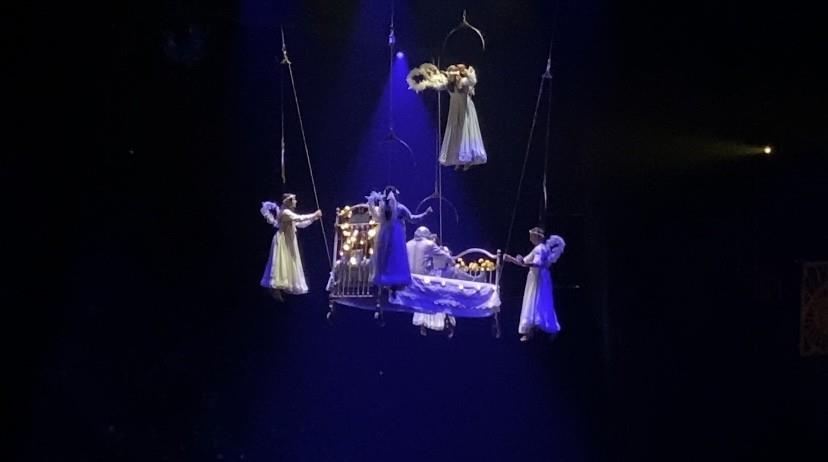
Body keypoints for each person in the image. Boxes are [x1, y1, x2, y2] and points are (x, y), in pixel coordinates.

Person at [406, 63, 487, 170]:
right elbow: (436, 85)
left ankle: (468, 158)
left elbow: (472, 81)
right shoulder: (449, 85)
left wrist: (468, 73)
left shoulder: (463, 82)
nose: (454, 76)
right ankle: (458, 158)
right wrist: (425, 81)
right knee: (456, 132)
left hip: (465, 109)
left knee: (466, 132)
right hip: (455, 110)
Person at [504, 227, 565, 341]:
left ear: (537, 237)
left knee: (536, 301)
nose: (530, 238)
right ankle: (539, 328)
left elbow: (536, 263)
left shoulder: (540, 249)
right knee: (537, 301)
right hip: (537, 276)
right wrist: (511, 259)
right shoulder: (538, 248)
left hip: (538, 277)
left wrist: (523, 262)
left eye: (532, 235)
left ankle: (538, 329)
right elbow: (524, 262)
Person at [260, 193, 322, 301]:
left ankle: (281, 288)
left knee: (287, 263)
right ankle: (274, 288)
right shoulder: (285, 212)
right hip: (282, 241)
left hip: (288, 241)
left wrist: (314, 218)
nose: (296, 202)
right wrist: (314, 214)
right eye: (294, 200)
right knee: (280, 263)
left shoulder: (288, 213)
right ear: (289, 201)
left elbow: (301, 224)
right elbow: (299, 218)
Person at [373, 187, 432, 290]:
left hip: (384, 236)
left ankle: (384, 281)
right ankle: (396, 282)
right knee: (396, 257)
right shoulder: (399, 208)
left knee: (385, 257)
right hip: (396, 237)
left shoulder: (383, 207)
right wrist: (426, 213)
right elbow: (413, 219)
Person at [406, 226, 456, 336]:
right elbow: (445, 257)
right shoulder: (429, 245)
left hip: (411, 279)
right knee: (443, 292)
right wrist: (451, 261)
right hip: (425, 279)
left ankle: (431, 322)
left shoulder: (407, 244)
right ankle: (445, 320)